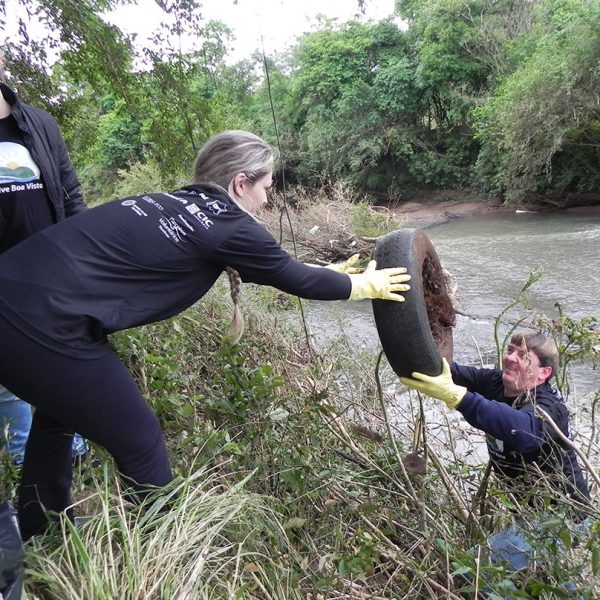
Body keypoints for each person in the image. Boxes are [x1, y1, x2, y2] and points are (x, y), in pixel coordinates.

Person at [0, 129, 411, 540]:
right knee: (139, 437)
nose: (267, 200)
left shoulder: (168, 202)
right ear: (240, 183)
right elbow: (297, 279)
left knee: (59, 415)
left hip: (14, 300)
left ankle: (40, 529)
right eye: (266, 187)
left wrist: (336, 272)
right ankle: (164, 544)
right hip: (43, 326)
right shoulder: (230, 224)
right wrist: (365, 287)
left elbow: (273, 268)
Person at [400, 332, 591, 589]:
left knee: (478, 570)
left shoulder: (548, 407)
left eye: (522, 356)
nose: (510, 358)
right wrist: (405, 342)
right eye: (510, 350)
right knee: (552, 584)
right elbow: (443, 370)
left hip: (564, 518)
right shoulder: (495, 383)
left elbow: (523, 431)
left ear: (543, 373)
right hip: (528, 515)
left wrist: (460, 398)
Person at [0, 57, 88, 465]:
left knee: (62, 357)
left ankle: (71, 449)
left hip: (51, 268)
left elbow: (69, 189)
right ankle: (22, 458)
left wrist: (87, 255)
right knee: (7, 378)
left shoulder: (38, 123)